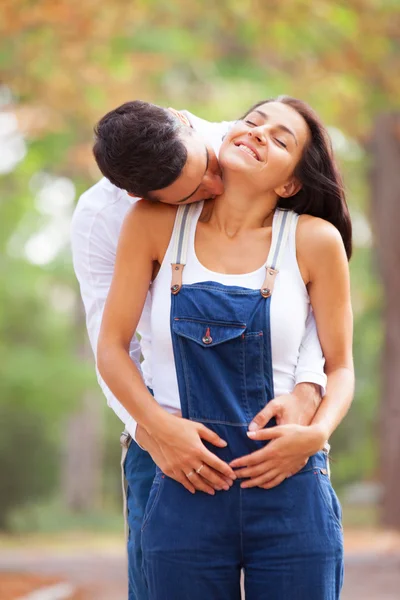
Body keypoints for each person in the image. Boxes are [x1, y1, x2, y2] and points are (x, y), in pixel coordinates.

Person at [97, 96, 353, 599]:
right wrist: (159, 426)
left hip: (290, 484)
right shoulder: (152, 223)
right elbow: (111, 347)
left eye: (281, 139)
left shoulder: (315, 240)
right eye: (253, 122)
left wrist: (316, 432)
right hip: (185, 484)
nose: (258, 133)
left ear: (290, 183)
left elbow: (340, 366)